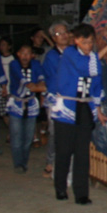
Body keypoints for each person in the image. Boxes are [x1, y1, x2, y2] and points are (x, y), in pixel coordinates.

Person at [47, 23, 105, 204]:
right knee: (64, 150)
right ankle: (61, 188)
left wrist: (98, 108)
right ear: (77, 41)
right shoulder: (70, 54)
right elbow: (86, 68)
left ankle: (81, 193)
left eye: (90, 42)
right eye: (85, 42)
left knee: (82, 153)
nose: (88, 46)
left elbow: (96, 84)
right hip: (67, 107)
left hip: (85, 107)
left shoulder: (93, 58)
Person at [6, 42, 46, 173]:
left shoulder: (36, 64)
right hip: (16, 103)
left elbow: (41, 75)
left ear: (32, 55)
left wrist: (41, 83)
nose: (25, 56)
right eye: (22, 53)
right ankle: (18, 163)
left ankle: (24, 162)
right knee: (16, 136)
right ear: (18, 54)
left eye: (28, 53)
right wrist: (34, 86)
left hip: (31, 103)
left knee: (28, 137)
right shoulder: (14, 64)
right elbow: (21, 78)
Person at [40, 22, 72, 175]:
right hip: (57, 98)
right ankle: (50, 161)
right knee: (55, 132)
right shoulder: (51, 56)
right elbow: (54, 78)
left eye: (65, 32)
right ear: (53, 38)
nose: (64, 36)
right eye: (59, 34)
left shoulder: (74, 52)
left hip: (73, 98)